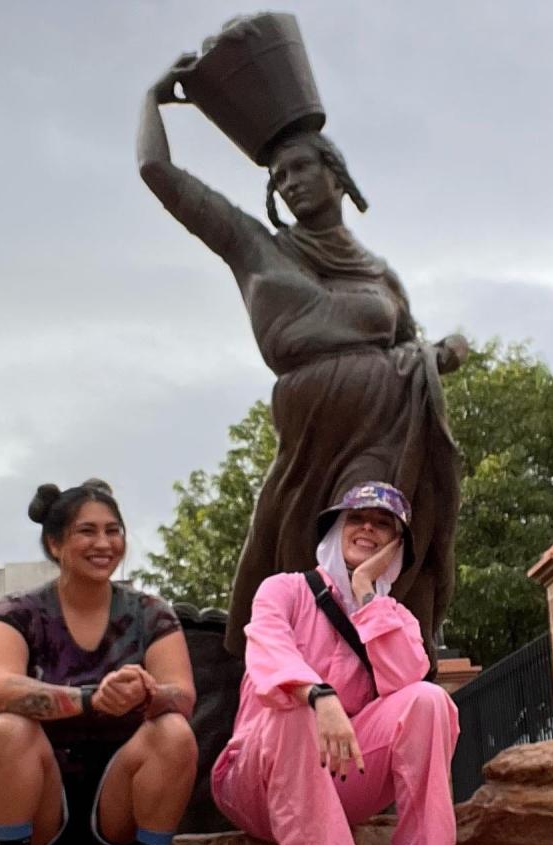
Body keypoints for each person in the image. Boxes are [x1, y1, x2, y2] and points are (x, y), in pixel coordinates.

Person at [138, 63, 466, 664]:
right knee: (281, 552)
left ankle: (371, 673)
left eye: (301, 169)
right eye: (278, 176)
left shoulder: (380, 273)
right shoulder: (255, 246)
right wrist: (151, 102)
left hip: (384, 425)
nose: (289, 183)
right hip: (309, 433)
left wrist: (440, 354)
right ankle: (274, 679)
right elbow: (159, 174)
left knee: (364, 540)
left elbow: (413, 348)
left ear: (336, 175)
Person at [211, 481, 489, 845]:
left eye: (383, 525)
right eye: (357, 519)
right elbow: (268, 655)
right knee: (294, 707)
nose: (368, 529)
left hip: (339, 779)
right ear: (336, 528)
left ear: (395, 546)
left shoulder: (395, 617)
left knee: (429, 701)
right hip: (256, 781)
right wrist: (319, 697)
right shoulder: (283, 591)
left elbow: (404, 681)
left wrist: (365, 593)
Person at [0, 479, 198, 845]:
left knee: (174, 731)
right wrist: (90, 697)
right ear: (55, 544)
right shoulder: (20, 611)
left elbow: (183, 694)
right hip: (41, 802)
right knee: (8, 727)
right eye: (86, 531)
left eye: (113, 531)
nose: (103, 543)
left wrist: (145, 693)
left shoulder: (150, 612)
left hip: (121, 799)